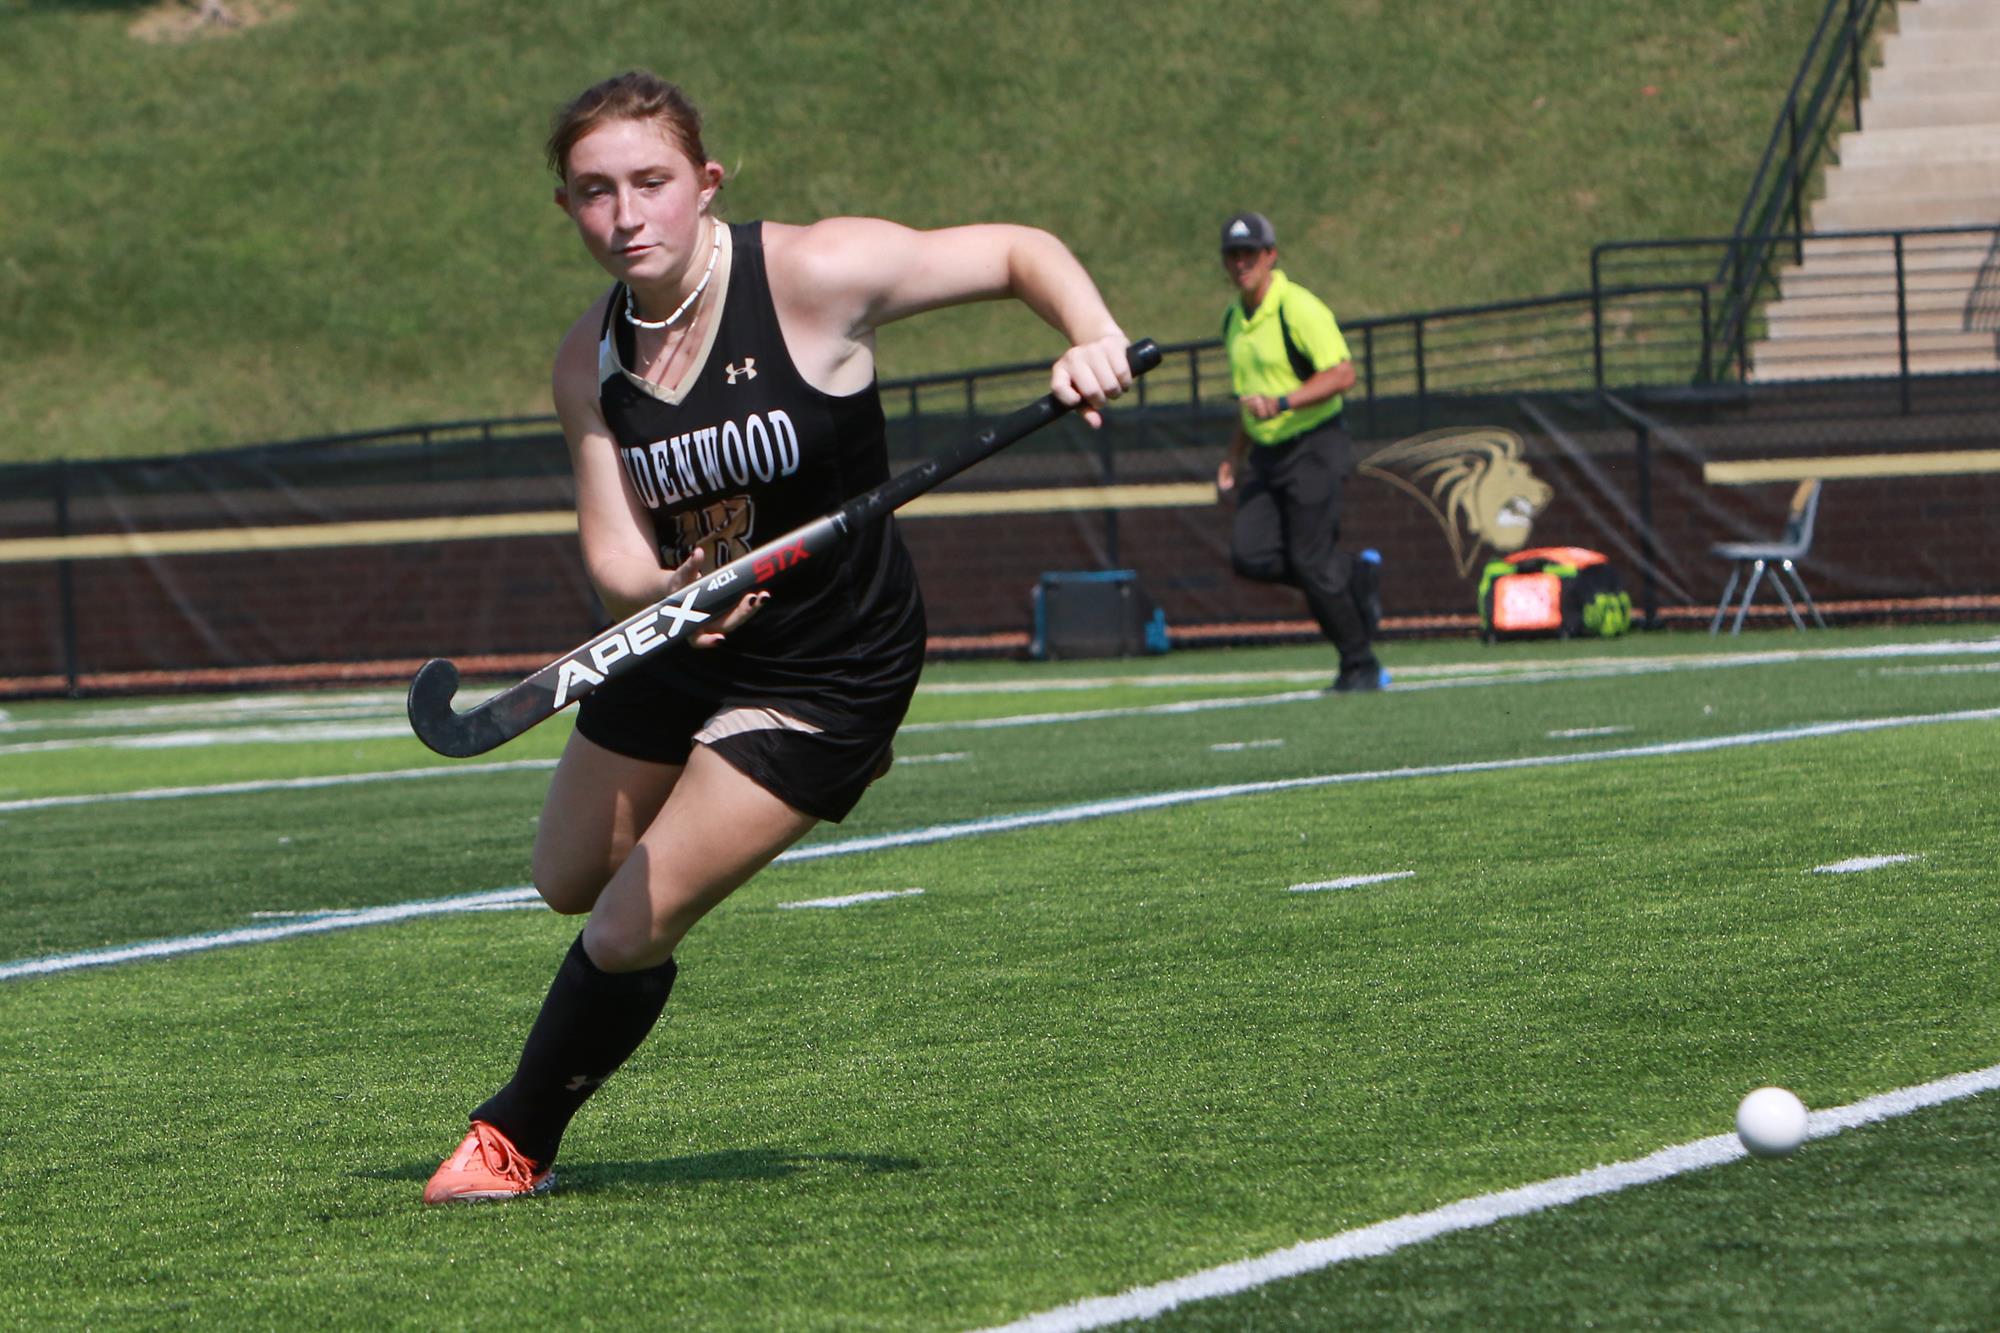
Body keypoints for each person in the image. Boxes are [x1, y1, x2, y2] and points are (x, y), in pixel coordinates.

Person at [422, 70, 1134, 1203]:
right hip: (688, 639)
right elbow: (614, 558)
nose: (626, 216)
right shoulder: (587, 364)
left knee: (620, 927)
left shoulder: (811, 274)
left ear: (704, 184)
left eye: (651, 183)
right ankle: (791, 762)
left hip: (829, 662)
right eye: (595, 192)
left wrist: (1089, 334)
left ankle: (515, 1136)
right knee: (564, 875)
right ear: (564, 207)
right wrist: (669, 590)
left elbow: (1017, 250)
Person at [1213, 211, 1384, 692]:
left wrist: (1284, 402)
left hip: (1314, 444)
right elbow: (1249, 397)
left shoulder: (1298, 307)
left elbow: (1342, 374)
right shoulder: (1233, 318)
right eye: (1232, 254)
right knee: (1250, 555)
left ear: (1271, 255)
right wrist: (1233, 455)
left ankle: (1360, 665)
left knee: (1310, 561)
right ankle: (1352, 574)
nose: (1241, 262)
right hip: (1266, 454)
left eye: (1250, 253)